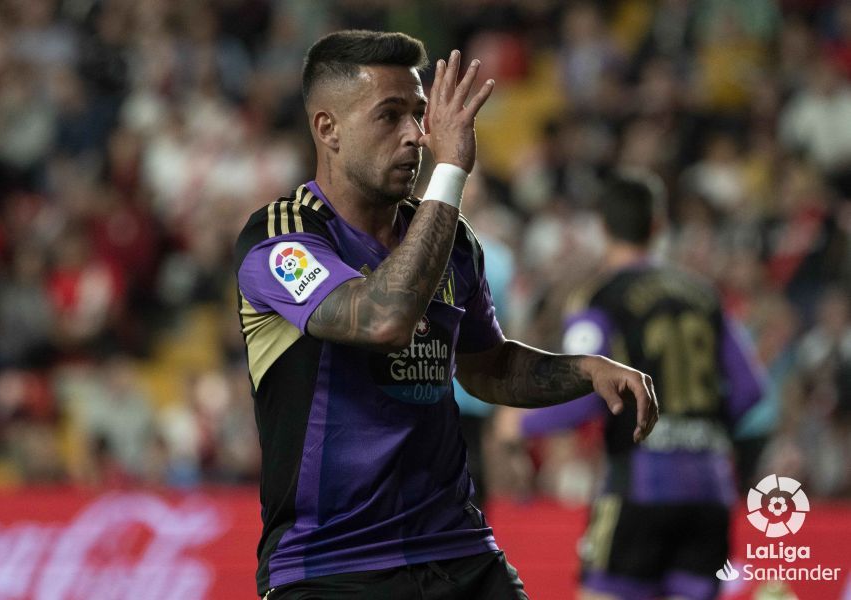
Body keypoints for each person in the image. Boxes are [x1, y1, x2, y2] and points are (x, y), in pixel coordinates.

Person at [234, 30, 659, 600]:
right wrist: (451, 172)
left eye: (419, 113)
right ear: (327, 129)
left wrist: (585, 371)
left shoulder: (450, 240)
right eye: (390, 116)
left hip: (458, 551)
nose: (416, 135)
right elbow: (383, 319)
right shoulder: (284, 236)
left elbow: (485, 366)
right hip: (332, 564)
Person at [513, 173, 764, 600]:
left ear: (603, 227)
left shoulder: (600, 297)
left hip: (642, 487)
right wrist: (699, 429)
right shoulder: (702, 294)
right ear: (658, 226)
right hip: (711, 489)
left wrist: (517, 423)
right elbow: (750, 390)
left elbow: (584, 391)